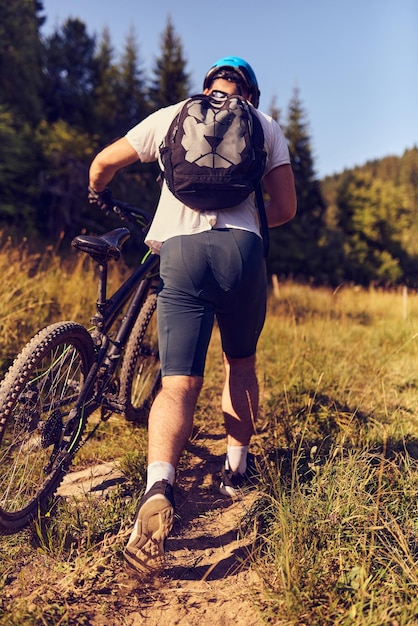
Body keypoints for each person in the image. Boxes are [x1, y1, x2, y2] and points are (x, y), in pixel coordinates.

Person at [88, 56, 297, 576]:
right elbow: (287, 207)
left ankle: (160, 485)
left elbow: (102, 163)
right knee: (239, 363)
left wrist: (98, 191)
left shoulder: (172, 114)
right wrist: (249, 225)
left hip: (179, 252)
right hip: (243, 253)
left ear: (207, 88)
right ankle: (235, 470)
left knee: (178, 383)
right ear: (251, 93)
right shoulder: (265, 126)